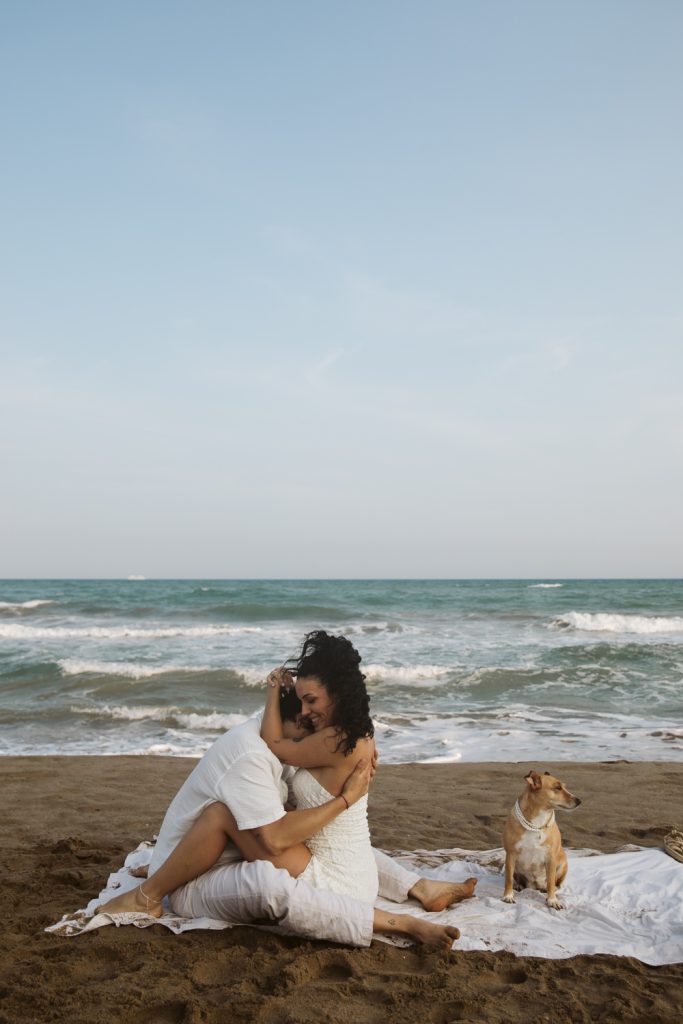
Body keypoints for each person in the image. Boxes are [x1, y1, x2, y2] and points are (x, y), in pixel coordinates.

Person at [97, 632, 476, 950]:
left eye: (313, 702)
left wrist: (343, 798)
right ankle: (413, 902)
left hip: (321, 874)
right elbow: (276, 801)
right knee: (260, 841)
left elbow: (277, 804)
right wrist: (345, 800)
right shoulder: (312, 740)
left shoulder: (327, 738)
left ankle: (412, 902)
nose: (310, 714)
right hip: (209, 878)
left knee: (305, 843)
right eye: (305, 705)